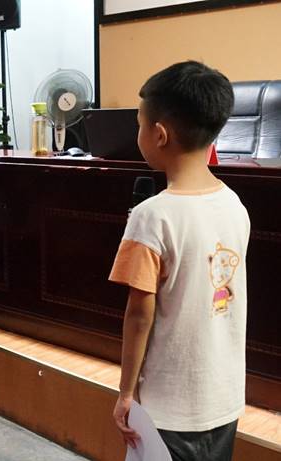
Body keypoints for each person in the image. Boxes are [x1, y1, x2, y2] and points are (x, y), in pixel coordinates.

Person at [108, 61, 250, 461]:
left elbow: (139, 315)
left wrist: (125, 392)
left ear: (159, 134)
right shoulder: (234, 204)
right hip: (224, 398)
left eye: (139, 124)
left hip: (169, 407)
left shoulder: (151, 216)